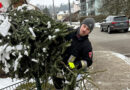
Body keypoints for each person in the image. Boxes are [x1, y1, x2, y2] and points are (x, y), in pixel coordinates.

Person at [53, 18, 95, 90]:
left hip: (70, 67)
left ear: (89, 32)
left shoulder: (87, 45)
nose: (84, 29)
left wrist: (75, 65)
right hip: (58, 64)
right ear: (81, 25)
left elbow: (88, 61)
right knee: (58, 85)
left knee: (69, 87)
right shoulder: (69, 31)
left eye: (88, 29)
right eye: (84, 26)